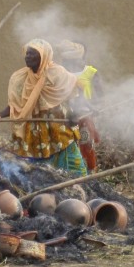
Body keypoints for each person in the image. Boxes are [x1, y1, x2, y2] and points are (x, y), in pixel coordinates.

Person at [0, 39, 86, 176]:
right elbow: (15, 106)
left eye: (32, 54)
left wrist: (75, 114)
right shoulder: (20, 77)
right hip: (33, 135)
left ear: (44, 56)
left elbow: (76, 90)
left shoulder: (57, 73)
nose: (27, 56)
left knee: (76, 172)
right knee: (34, 175)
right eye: (27, 53)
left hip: (59, 132)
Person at [56, 40, 104, 172]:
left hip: (84, 115)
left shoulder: (90, 72)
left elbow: (98, 95)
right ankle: (69, 171)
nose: (67, 64)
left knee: (86, 143)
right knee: (67, 145)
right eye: (65, 61)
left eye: (70, 61)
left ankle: (90, 172)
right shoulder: (60, 74)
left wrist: (94, 107)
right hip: (64, 117)